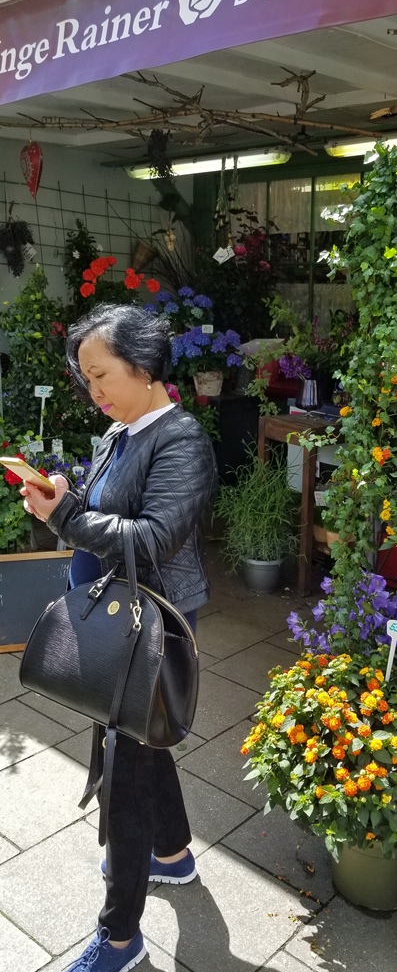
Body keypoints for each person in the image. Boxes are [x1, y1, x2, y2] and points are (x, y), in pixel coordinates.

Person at [21, 303, 218, 972]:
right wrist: (64, 497)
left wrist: (69, 517)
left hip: (150, 624)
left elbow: (153, 539)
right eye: (86, 378)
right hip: (112, 618)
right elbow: (105, 510)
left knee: (123, 770)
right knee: (139, 735)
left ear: (144, 365)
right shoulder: (120, 432)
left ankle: (120, 937)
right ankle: (174, 854)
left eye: (101, 374)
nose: (94, 390)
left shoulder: (182, 440)